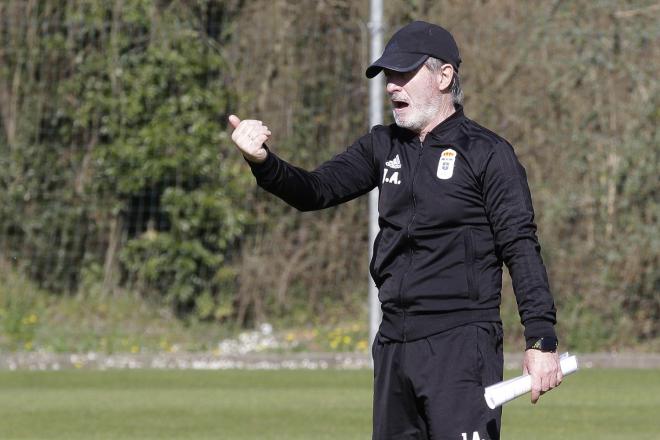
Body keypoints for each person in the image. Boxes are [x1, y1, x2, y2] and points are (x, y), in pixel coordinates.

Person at [229, 20, 562, 440]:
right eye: (389, 76)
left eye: (404, 73)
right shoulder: (381, 146)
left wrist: (541, 339)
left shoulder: (488, 153)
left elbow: (520, 245)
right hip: (393, 345)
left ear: (444, 76)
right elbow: (315, 190)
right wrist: (263, 162)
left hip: (460, 345)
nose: (391, 86)